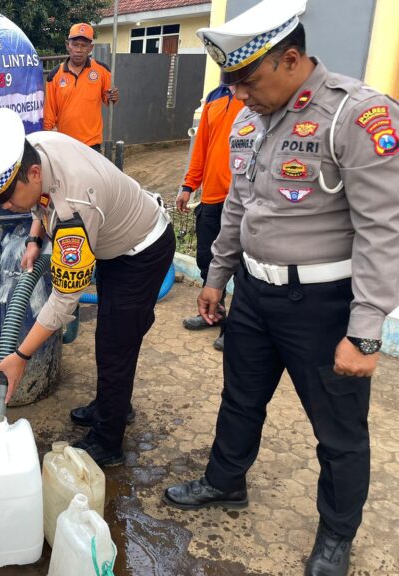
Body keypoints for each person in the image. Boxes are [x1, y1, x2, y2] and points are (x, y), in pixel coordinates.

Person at [162, 1, 399, 575]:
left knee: (338, 433)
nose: (239, 95)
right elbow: (240, 207)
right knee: (240, 399)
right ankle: (225, 482)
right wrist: (217, 278)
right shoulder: (248, 120)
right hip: (254, 295)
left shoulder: (356, 115)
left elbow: (383, 229)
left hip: (323, 306)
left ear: (291, 60)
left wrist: (365, 333)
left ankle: (336, 538)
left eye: (248, 81)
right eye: (233, 84)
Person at [0, 108, 175, 467]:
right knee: (113, 338)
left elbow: (64, 299)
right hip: (113, 240)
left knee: (115, 344)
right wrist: (33, 240)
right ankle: (111, 404)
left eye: (7, 199)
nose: (7, 208)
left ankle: (109, 440)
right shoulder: (34, 149)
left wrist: (21, 356)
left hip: (141, 252)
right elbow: (39, 203)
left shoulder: (75, 206)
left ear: (33, 173)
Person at [177, 85, 244, 351]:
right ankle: (213, 313)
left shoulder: (255, 94)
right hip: (212, 197)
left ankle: (236, 328)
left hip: (241, 200)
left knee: (241, 268)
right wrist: (188, 185)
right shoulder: (216, 97)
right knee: (208, 259)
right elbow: (202, 145)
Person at [43, 23, 119, 151]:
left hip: (91, 144)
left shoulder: (102, 70)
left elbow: (108, 99)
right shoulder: (54, 75)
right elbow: (49, 114)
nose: (79, 50)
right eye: (75, 44)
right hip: (64, 143)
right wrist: (48, 138)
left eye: (84, 46)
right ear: (68, 45)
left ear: (90, 48)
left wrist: (113, 96)